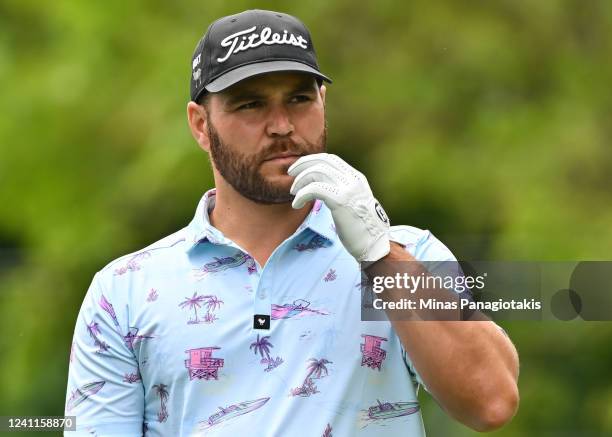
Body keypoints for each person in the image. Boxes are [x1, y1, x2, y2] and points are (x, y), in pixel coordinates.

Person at [65, 9, 519, 436]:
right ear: (201, 125)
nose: (282, 125)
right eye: (250, 105)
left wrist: (380, 255)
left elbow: (491, 401)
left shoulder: (408, 256)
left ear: (324, 102)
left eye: (299, 99)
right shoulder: (123, 291)